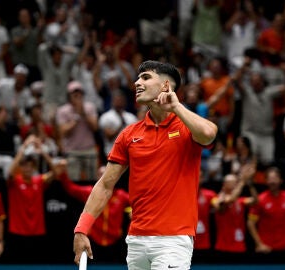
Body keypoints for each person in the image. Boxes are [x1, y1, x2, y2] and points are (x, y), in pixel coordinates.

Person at [73, 60, 218, 269]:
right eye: (138, 78)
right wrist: (81, 229)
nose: (137, 83)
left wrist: (176, 106)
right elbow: (105, 185)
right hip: (136, 242)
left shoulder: (187, 127)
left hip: (172, 241)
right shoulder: (129, 135)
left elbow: (208, 134)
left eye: (146, 77)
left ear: (166, 86)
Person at [57, 161, 130, 263]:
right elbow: (71, 188)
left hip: (116, 242)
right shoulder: (89, 192)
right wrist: (63, 173)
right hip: (94, 242)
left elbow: (138, 203)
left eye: (107, 173)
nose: (105, 177)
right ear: (97, 177)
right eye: (101, 174)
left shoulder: (121, 195)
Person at [5, 134, 57, 263]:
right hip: (17, 232)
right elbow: (10, 173)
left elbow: (55, 172)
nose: (27, 168)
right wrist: (23, 148)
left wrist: (43, 152)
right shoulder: (15, 181)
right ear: (20, 168)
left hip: (37, 231)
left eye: (30, 166)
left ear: (33, 168)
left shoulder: (38, 181)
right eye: (24, 166)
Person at [247, 167, 285, 263]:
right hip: (266, 249)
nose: (272, 182)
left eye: (275, 178)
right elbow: (250, 223)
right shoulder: (260, 199)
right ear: (266, 181)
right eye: (269, 179)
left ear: (281, 180)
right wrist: (259, 244)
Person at [211, 165, 258, 263]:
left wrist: (250, 184)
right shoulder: (216, 199)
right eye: (232, 182)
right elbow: (229, 200)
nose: (235, 184)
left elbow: (255, 201)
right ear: (224, 184)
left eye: (235, 182)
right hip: (223, 248)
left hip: (239, 246)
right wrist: (242, 181)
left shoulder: (240, 200)